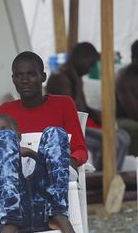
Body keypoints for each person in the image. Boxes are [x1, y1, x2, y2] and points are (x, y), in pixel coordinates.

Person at [0, 51, 88, 233]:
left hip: (53, 178)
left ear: (43, 76)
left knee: (55, 133)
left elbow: (80, 149)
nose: (25, 80)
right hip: (17, 180)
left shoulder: (63, 104)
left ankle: (57, 213)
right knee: (3, 138)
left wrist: (63, 162)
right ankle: (10, 219)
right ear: (13, 79)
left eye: (31, 74)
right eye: (19, 75)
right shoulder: (6, 109)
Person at [47, 42, 130, 170]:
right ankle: (102, 180)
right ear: (81, 58)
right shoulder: (60, 77)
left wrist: (99, 115)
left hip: (80, 126)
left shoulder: (75, 76)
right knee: (111, 141)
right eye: (90, 64)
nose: (90, 69)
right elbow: (67, 112)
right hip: (66, 131)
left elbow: (84, 107)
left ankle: (112, 176)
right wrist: (76, 82)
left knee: (123, 136)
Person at [116, 40, 138, 156]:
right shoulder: (124, 78)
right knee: (136, 128)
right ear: (134, 58)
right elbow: (134, 112)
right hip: (122, 119)